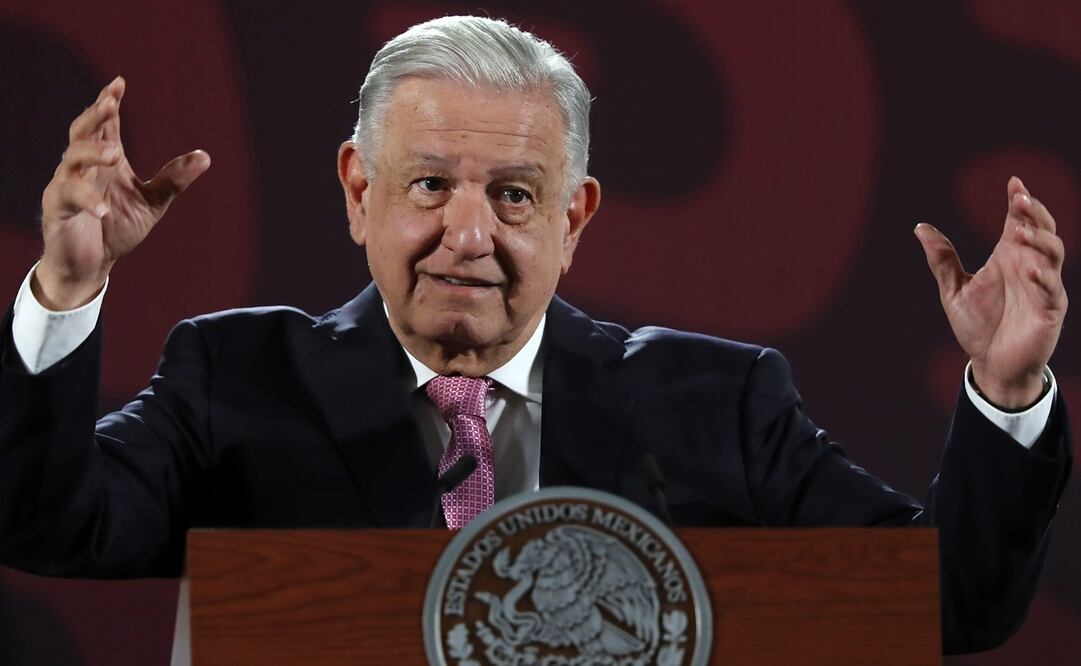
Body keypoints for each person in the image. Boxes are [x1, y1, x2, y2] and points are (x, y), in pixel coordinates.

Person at [0, 16, 1070, 654]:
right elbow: (49, 528)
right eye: (429, 186)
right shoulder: (235, 377)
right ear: (357, 192)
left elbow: (943, 608)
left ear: (575, 218)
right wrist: (64, 290)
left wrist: (1007, 394)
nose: (468, 235)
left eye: (515, 196)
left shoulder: (719, 403)